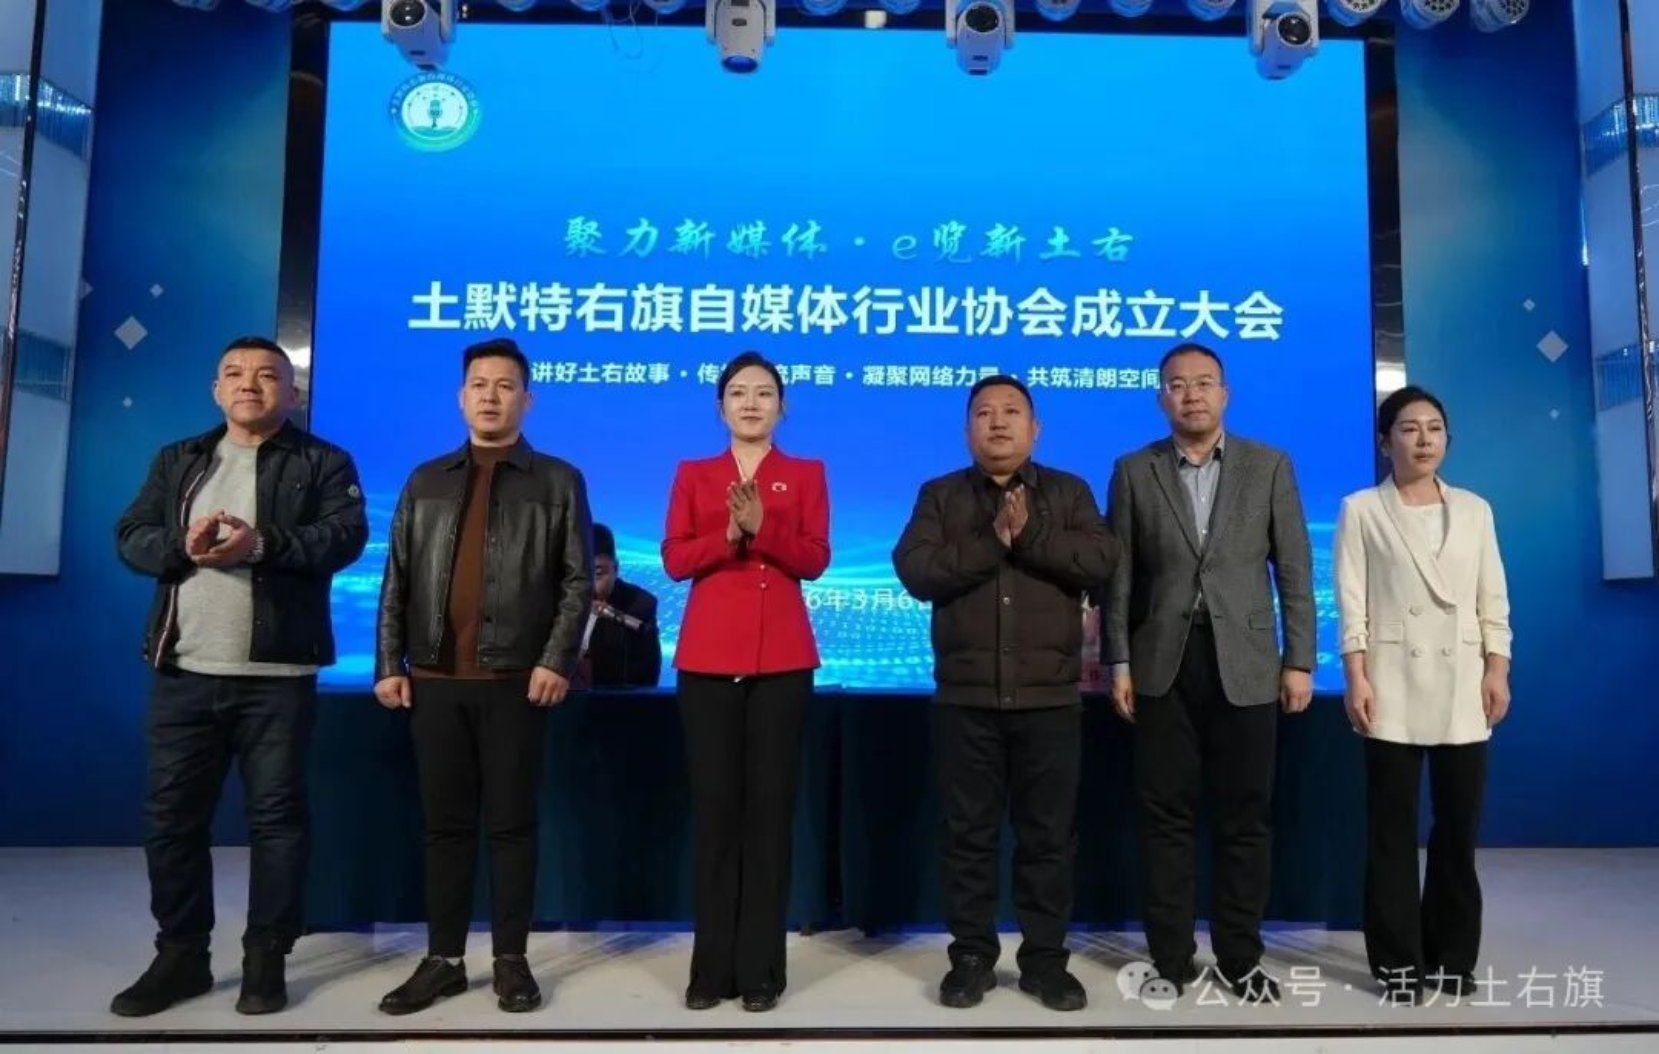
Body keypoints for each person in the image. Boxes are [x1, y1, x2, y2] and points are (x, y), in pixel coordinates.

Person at [112, 336, 368, 1017]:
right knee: (171, 819)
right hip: (183, 670)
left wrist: (260, 544)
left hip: (278, 675)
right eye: (233, 373)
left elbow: (344, 537)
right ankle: (181, 955)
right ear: (215, 390)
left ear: (292, 392)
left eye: (266, 375)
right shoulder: (179, 459)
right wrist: (180, 544)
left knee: (277, 822)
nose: (248, 384)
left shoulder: (322, 461)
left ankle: (265, 958)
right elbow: (131, 534)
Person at [373, 338, 593, 1015]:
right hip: (434, 678)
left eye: (504, 385)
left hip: (515, 682)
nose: (490, 396)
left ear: (527, 399)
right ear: (460, 396)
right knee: (444, 826)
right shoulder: (425, 480)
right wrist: (388, 663)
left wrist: (555, 659)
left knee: (511, 826)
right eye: (479, 384)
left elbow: (577, 582)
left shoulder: (557, 480)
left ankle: (510, 961)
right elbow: (397, 577)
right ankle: (442, 960)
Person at [893, 375, 1119, 1012]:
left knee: (1048, 839)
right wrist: (992, 540)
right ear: (968, 429)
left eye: (1012, 412)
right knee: (969, 837)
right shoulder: (940, 495)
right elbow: (916, 570)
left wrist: (1032, 537)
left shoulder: (1069, 492)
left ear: (1035, 429)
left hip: (1050, 701)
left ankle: (1045, 962)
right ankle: (971, 959)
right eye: (985, 413)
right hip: (965, 700)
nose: (998, 422)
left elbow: (1101, 560)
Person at [1104, 341, 1315, 1004]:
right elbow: (1119, 578)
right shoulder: (1133, 470)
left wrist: (1299, 658)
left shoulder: (1268, 465)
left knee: (1244, 817)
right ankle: (1170, 957)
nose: (1190, 394)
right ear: (1160, 398)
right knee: (1164, 817)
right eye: (1176, 385)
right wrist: (1118, 660)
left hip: (1246, 662)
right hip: (1160, 662)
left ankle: (1239, 958)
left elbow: (1293, 569)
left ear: (1224, 395)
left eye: (1202, 383)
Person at [661, 351, 830, 1013]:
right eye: (738, 393)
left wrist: (765, 528)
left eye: (763, 393)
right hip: (707, 661)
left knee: (768, 817)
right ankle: (711, 970)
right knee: (715, 815)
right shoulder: (694, 473)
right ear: (720, 406)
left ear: (782, 407)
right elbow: (676, 559)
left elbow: (814, 559)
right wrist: (730, 533)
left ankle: (761, 970)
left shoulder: (806, 473)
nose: (751, 403)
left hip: (782, 663)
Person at [1334, 385, 1512, 1003]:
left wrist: (1497, 669)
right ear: (1385, 442)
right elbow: (1352, 602)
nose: (1424, 439)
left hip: (1464, 681)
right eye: (1409, 428)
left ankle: (1453, 957)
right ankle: (1398, 964)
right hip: (1391, 681)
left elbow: (1493, 598)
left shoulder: (1475, 510)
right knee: (1391, 830)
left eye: (1434, 428)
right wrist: (1356, 675)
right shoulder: (1362, 509)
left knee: (1458, 828)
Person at [579, 522, 662, 688]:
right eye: (579, 574)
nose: (588, 584)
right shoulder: (555, 602)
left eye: (598, 573)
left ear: (615, 568)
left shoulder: (640, 606)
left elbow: (647, 677)